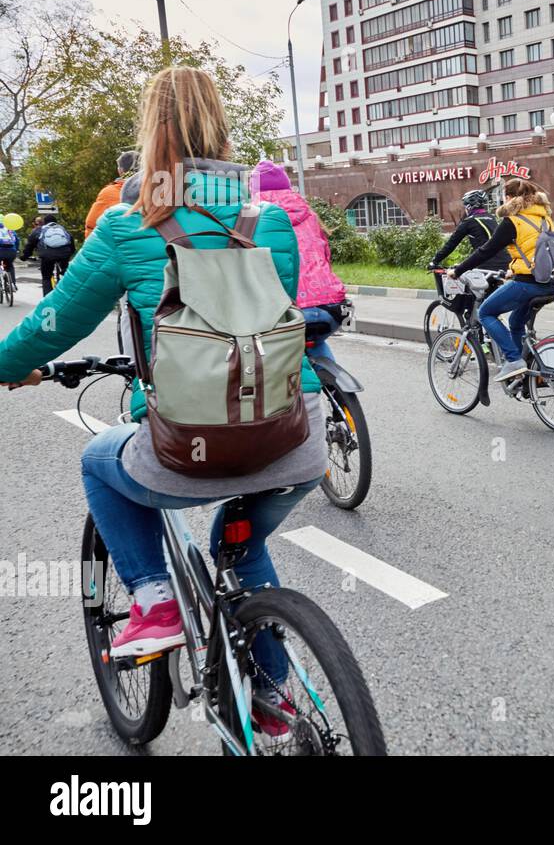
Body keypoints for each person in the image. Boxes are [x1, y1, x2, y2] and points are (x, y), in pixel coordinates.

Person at [0, 67, 324, 734]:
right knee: (242, 541)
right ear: (222, 127)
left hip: (188, 448)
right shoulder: (271, 218)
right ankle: (271, 695)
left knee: (99, 461)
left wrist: (8, 367)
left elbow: (53, 325)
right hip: (294, 437)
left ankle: (152, 599)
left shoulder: (127, 224)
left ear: (152, 133)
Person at [451, 178, 554, 382]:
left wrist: (458, 270)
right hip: (550, 283)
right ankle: (519, 373)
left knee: (485, 312)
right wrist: (512, 269)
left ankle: (513, 360)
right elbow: (536, 251)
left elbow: (486, 251)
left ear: (508, 198)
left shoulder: (513, 221)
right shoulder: (545, 218)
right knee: (515, 322)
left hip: (528, 284)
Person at [248, 159, 348, 360]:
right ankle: (336, 387)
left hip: (290, 309)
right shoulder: (308, 212)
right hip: (332, 307)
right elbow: (325, 257)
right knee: (317, 344)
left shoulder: (252, 216)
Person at [429, 189, 510, 320]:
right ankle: (483, 326)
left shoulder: (469, 221)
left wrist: (435, 261)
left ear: (469, 206)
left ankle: (473, 324)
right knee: (486, 300)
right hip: (505, 264)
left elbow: (451, 244)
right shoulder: (492, 218)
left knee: (468, 292)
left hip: (486, 264)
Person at [85, 150, 139, 239]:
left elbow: (92, 225)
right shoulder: (159, 189)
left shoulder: (109, 192)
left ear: (121, 171)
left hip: (122, 245)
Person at [20, 211, 75, 295]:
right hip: (64, 254)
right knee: (66, 271)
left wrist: (25, 256)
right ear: (56, 222)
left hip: (47, 256)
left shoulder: (39, 230)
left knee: (46, 277)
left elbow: (30, 245)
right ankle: (70, 290)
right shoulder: (62, 229)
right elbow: (71, 243)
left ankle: (48, 299)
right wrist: (69, 254)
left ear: (44, 222)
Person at [0, 219, 19, 291]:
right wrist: (16, 249)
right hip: (11, 251)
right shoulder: (10, 229)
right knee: (10, 266)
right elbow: (17, 240)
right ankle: (12, 284)